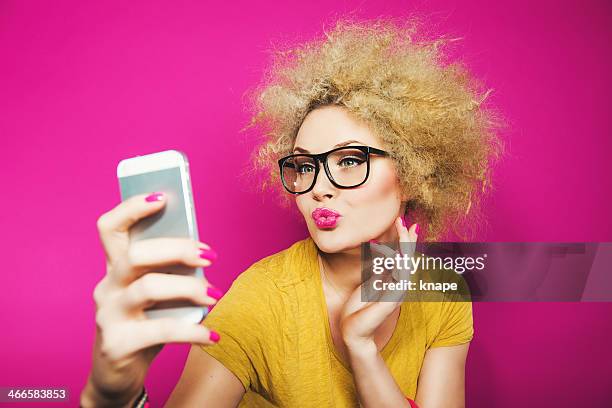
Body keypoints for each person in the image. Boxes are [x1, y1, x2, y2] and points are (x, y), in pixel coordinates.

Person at [80, 17, 502, 408]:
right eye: (303, 166)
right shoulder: (261, 300)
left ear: (412, 174)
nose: (318, 188)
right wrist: (108, 394)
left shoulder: (443, 290)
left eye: (350, 161)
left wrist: (362, 348)